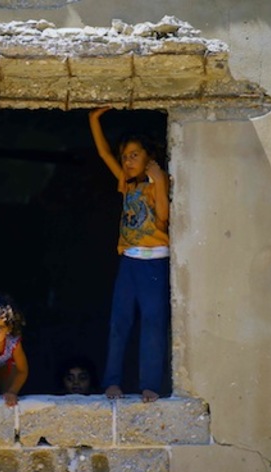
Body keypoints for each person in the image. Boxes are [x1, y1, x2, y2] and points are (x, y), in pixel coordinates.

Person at [88, 107, 171, 403]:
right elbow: (104, 155)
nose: (127, 160)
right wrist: (93, 120)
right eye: (125, 156)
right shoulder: (126, 185)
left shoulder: (159, 185)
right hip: (130, 261)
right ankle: (112, 382)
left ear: (150, 157)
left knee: (153, 322)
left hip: (156, 263)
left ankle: (150, 384)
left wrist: (159, 181)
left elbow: (163, 219)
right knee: (119, 321)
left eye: (134, 154)